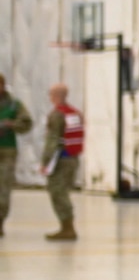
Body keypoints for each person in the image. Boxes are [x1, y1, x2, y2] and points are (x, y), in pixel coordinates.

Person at [42, 83, 82, 243]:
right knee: (63, 191)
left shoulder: (57, 114)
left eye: (51, 94)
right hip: (73, 158)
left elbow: (52, 140)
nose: (50, 97)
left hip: (60, 159)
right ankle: (67, 226)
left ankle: (67, 227)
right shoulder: (75, 113)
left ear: (56, 96)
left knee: (57, 192)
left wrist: (45, 162)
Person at [0, 75, 31, 237]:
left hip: (7, 151)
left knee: (3, 188)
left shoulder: (14, 105)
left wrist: (12, 125)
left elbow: (27, 123)